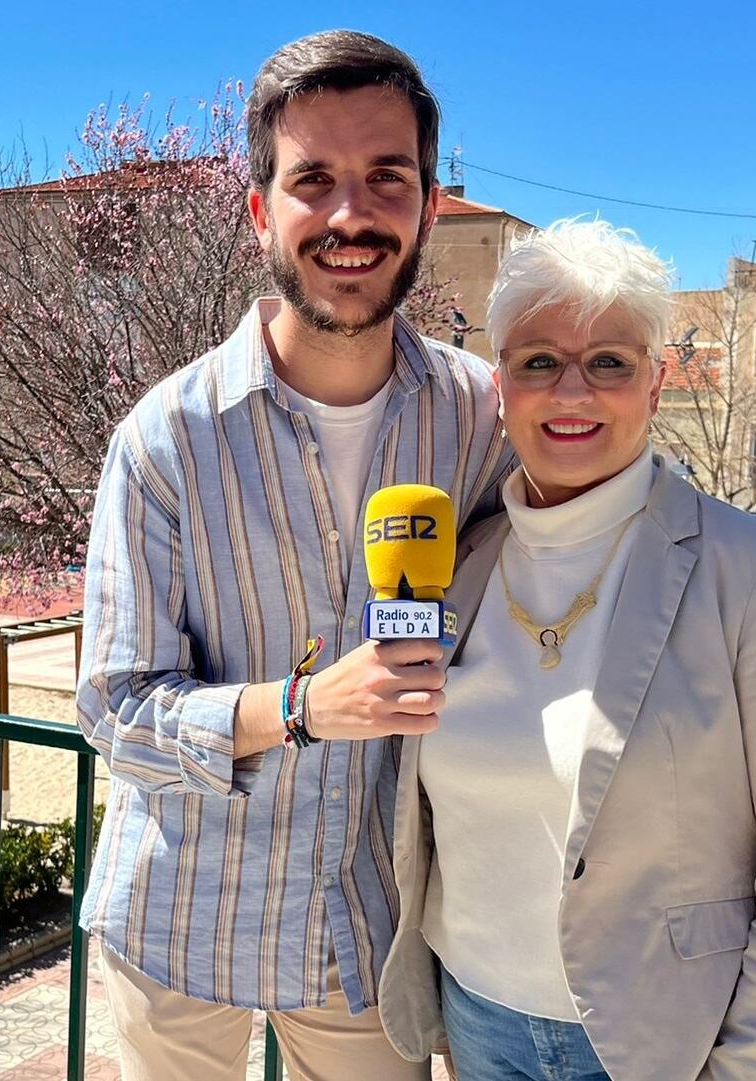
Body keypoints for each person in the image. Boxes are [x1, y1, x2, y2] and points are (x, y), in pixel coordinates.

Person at [75, 29, 511, 1081]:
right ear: (260, 210)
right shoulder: (166, 435)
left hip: (364, 929)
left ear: (429, 206)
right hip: (177, 921)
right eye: (313, 179)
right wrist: (307, 706)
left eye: (384, 179)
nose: (351, 215)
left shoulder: (477, 418)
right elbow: (114, 710)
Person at [376, 218, 756, 1081]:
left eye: (609, 360)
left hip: (665, 1048)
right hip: (477, 1020)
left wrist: (750, 1070)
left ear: (656, 381)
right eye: (538, 361)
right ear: (502, 387)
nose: (572, 392)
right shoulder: (457, 566)